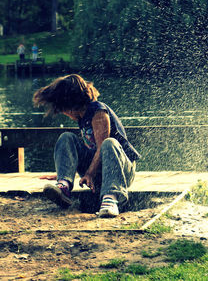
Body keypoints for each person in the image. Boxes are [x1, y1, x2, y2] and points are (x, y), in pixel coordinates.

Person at [33, 74, 141, 217]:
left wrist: (89, 173)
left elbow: (102, 147)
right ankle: (64, 186)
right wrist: (66, 170)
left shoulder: (98, 111)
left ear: (70, 105)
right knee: (66, 137)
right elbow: (89, 149)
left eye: (62, 109)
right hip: (99, 173)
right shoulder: (82, 117)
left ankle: (111, 199)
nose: (64, 113)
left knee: (109, 143)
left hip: (120, 172)